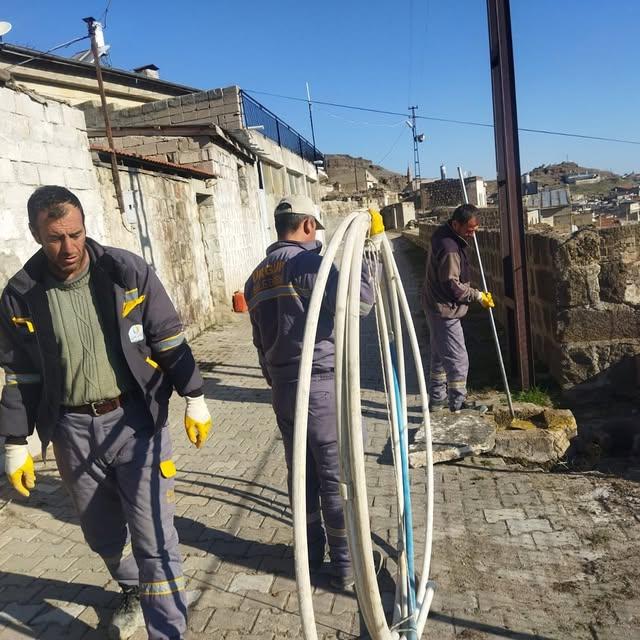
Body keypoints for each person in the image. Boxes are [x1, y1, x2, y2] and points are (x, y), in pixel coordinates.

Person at [0, 186, 213, 640]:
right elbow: (20, 374)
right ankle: (134, 587)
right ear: (35, 234)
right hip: (71, 430)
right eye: (55, 237)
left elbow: (168, 338)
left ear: (84, 226)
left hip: (137, 421)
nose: (69, 248)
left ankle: (167, 630)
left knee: (155, 537)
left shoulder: (125, 271)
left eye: (75, 234)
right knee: (100, 534)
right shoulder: (20, 294)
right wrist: (16, 441)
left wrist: (194, 395)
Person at [244, 196, 380, 590]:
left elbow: (257, 342)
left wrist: (277, 381)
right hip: (319, 383)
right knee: (335, 478)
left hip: (284, 389)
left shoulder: (255, 276)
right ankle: (346, 567)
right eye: (315, 230)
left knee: (301, 477)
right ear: (306, 226)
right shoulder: (307, 264)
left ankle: (309, 553)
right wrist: (367, 254)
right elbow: (363, 302)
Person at [421, 203, 495, 413]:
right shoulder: (450, 248)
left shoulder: (444, 234)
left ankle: (437, 399)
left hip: (433, 304)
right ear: (456, 224)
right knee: (457, 358)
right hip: (445, 309)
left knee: (439, 356)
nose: (473, 233)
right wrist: (477, 295)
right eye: (469, 229)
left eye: (475, 228)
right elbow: (451, 285)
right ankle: (458, 402)